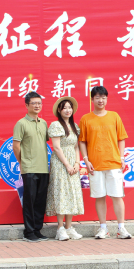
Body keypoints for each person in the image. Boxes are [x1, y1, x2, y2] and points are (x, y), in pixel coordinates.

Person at [78, 85, 132, 239]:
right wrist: (86, 160)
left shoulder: (114, 116)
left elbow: (121, 138)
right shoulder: (86, 119)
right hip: (95, 165)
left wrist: (121, 158)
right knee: (100, 196)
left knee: (117, 196)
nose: (100, 100)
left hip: (113, 162)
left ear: (107, 99)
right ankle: (103, 228)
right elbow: (82, 141)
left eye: (103, 97)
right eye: (97, 97)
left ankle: (121, 228)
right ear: (92, 99)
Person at [46, 96, 85, 241]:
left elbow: (76, 147)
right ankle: (60, 228)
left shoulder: (74, 126)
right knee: (61, 192)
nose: (68, 110)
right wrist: (67, 165)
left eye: (70, 107)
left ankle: (69, 227)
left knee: (72, 193)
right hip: (60, 163)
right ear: (59, 110)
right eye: (64, 108)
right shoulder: (56, 125)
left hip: (72, 163)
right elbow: (56, 147)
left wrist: (77, 163)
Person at [12, 92, 50, 243]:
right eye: (34, 103)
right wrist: (22, 162)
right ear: (27, 105)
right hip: (29, 168)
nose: (37, 106)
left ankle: (37, 230)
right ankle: (28, 232)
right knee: (30, 201)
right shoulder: (21, 123)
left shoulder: (43, 123)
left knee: (40, 201)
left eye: (39, 103)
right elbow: (16, 146)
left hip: (44, 167)